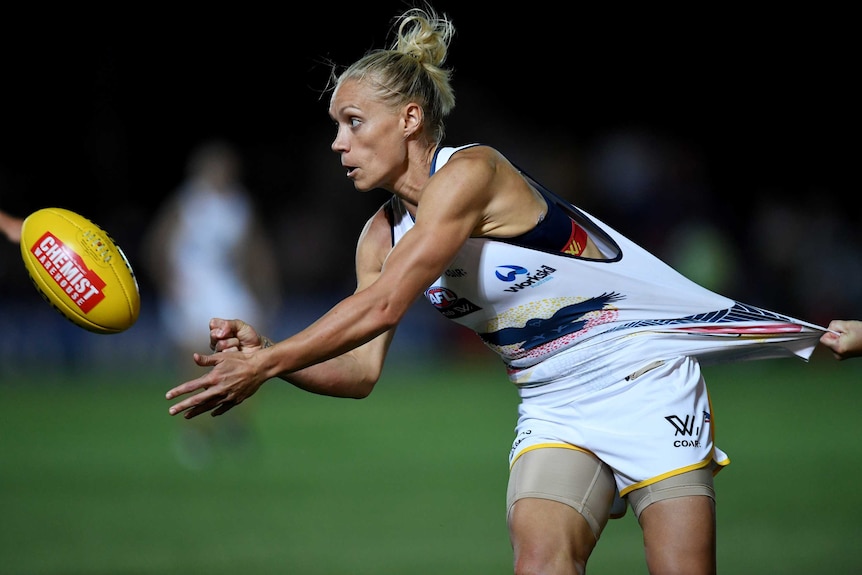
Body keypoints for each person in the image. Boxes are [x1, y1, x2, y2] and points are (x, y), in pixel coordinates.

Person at [165, 6, 826, 574]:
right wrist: (274, 357)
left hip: (644, 374)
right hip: (553, 403)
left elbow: (387, 302)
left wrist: (268, 361)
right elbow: (361, 369)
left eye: (353, 121)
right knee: (539, 560)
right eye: (336, 126)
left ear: (409, 118)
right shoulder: (378, 236)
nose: (339, 143)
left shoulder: (472, 174)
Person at [144, 139, 281, 467]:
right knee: (193, 359)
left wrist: (265, 289)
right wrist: (169, 285)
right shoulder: (188, 203)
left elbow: (253, 251)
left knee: (250, 353)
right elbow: (158, 246)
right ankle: (194, 431)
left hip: (225, 286)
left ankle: (236, 422)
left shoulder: (238, 205)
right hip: (191, 287)